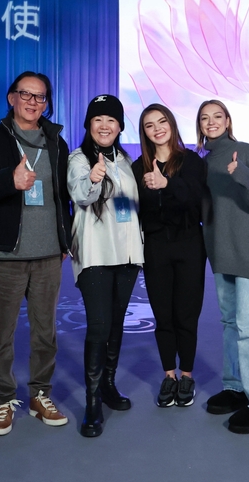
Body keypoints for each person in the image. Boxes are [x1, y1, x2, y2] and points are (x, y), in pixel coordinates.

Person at [0, 71, 72, 435]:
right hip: (4, 256)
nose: (32, 102)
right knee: (2, 334)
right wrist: (8, 182)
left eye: (40, 97)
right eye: (25, 94)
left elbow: (64, 197)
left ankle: (41, 395)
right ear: (11, 98)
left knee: (46, 332)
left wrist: (64, 240)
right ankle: (4, 399)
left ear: (47, 103)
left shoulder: (57, 141)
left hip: (47, 256)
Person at [195, 99, 249, 434]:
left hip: (247, 251)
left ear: (228, 120)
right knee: (230, 322)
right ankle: (236, 387)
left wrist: (242, 174)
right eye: (205, 118)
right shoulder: (203, 161)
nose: (211, 122)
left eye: (217, 116)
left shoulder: (243, 151)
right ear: (199, 126)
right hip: (220, 250)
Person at [67, 94, 143, 437]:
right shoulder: (78, 159)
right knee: (99, 326)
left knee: (115, 326)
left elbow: (131, 207)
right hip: (97, 255)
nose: (104, 126)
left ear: (120, 126)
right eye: (98, 120)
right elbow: (81, 196)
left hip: (126, 257)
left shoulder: (127, 161)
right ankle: (93, 402)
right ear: (88, 125)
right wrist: (95, 177)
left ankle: (109, 386)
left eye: (111, 120)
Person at [131, 104, 206, 408]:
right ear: (144, 132)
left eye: (162, 121)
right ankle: (169, 375)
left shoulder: (191, 162)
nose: (157, 128)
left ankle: (187, 375)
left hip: (189, 244)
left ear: (172, 125)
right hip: (156, 248)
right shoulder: (138, 167)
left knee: (186, 314)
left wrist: (167, 184)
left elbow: (199, 199)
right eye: (150, 125)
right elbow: (133, 211)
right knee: (163, 315)